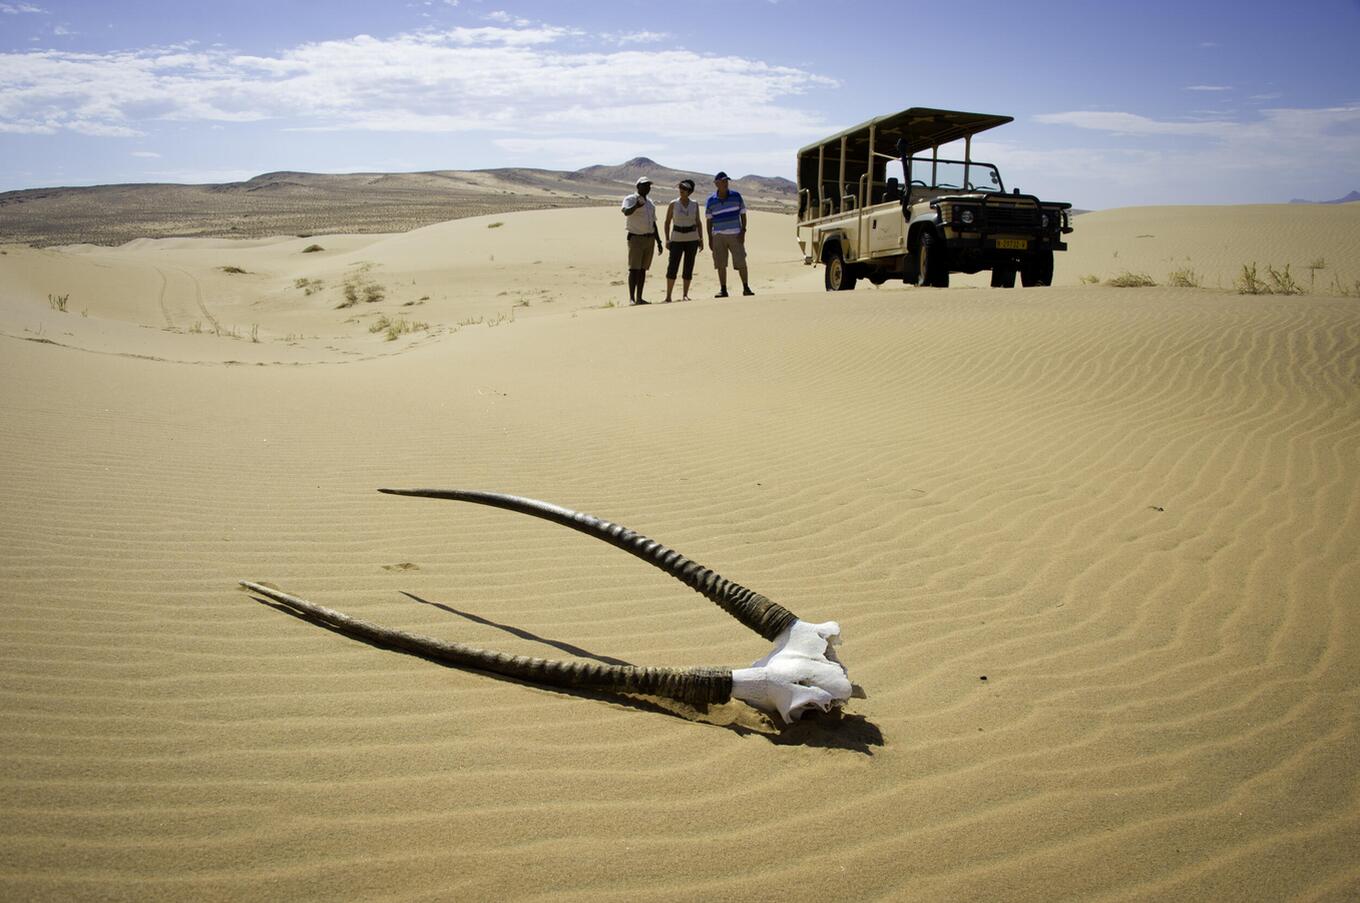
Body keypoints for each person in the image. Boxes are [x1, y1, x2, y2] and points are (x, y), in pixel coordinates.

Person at [705, 171, 753, 297]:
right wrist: (710, 238)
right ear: (717, 184)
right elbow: (709, 221)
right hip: (718, 236)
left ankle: (746, 287)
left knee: (741, 261)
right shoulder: (711, 201)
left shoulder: (736, 196)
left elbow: (743, 214)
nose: (726, 183)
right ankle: (723, 289)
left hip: (735, 235)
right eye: (723, 181)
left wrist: (743, 231)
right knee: (720, 263)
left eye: (727, 181)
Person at [620, 176, 664, 305]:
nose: (647, 188)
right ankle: (632, 298)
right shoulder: (630, 199)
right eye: (644, 185)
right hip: (636, 238)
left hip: (649, 239)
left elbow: (653, 223)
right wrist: (636, 205)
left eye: (649, 186)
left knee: (643, 269)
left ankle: (640, 297)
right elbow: (626, 212)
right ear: (638, 186)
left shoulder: (650, 203)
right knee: (634, 269)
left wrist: (659, 241)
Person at [662, 179, 704, 302]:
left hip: (691, 239)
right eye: (680, 188)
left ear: (689, 191)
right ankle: (668, 296)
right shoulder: (673, 204)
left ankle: (685, 295)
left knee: (688, 266)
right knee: (672, 266)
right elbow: (667, 222)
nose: (681, 190)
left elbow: (698, 222)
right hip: (676, 239)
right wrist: (667, 239)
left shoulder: (694, 204)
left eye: (684, 189)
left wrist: (701, 239)